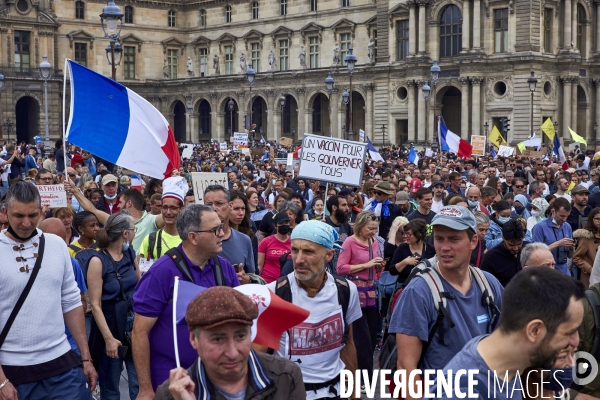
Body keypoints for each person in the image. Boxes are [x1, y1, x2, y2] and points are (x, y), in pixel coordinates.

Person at [0, 181, 97, 398]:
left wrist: (85, 357)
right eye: (18, 216)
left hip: (61, 365)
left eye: (33, 215)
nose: (26, 223)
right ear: (5, 212)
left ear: (41, 209)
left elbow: (71, 302)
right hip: (13, 370)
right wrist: (1, 380)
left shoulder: (56, 245)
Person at [132, 205, 240, 399]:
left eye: (221, 227)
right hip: (172, 380)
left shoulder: (225, 268)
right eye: (215, 230)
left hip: (218, 379)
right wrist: (145, 389)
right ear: (193, 237)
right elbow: (139, 332)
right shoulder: (161, 272)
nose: (222, 234)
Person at [389, 206, 504, 384]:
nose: (444, 247)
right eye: (439, 239)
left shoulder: (488, 283)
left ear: (473, 241)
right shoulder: (419, 291)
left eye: (454, 239)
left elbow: (507, 345)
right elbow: (406, 368)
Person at [431, 267, 584, 400]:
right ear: (534, 331)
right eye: (569, 332)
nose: (575, 341)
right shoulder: (462, 393)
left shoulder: (506, 366)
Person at [154, 286, 305, 400]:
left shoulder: (286, 376)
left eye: (240, 336)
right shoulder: (171, 395)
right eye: (218, 339)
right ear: (194, 339)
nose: (232, 353)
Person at [266, 221, 362, 400]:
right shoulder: (275, 292)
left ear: (329, 255)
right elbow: (258, 356)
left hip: (335, 391)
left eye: (309, 251)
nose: (299, 259)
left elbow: (347, 343)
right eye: (295, 250)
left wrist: (355, 393)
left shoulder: (346, 290)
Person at [87, 211, 140, 400]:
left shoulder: (130, 253)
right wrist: (109, 339)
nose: (135, 233)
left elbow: (140, 287)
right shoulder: (97, 261)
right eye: (133, 230)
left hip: (133, 326)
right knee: (110, 387)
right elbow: (95, 305)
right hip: (110, 325)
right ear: (125, 234)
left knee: (139, 383)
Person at [337, 210, 385, 379]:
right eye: (371, 228)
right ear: (360, 226)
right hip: (355, 292)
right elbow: (340, 268)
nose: (374, 232)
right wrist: (367, 264)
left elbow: (377, 271)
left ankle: (365, 375)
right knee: (360, 337)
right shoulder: (350, 242)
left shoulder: (375, 242)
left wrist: (378, 266)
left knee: (371, 337)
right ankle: (362, 377)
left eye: (376, 228)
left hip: (371, 292)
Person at [67, 179, 165, 254]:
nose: (118, 205)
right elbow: (93, 210)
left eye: (121, 202)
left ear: (129, 203)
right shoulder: (116, 221)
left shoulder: (151, 220)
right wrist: (74, 190)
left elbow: (169, 214)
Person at [205, 185, 256, 275]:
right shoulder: (198, 239)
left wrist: (246, 280)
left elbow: (252, 277)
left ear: (230, 205)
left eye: (219, 203)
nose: (213, 208)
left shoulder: (244, 240)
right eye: (208, 205)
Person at [138, 177, 187, 265]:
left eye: (173, 208)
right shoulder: (150, 240)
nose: (168, 212)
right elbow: (142, 274)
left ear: (182, 209)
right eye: (164, 207)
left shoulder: (190, 239)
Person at [532, 197, 574, 276]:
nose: (565, 219)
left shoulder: (567, 226)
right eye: (562, 216)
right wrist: (558, 244)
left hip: (564, 273)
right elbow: (536, 254)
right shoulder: (539, 227)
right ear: (553, 211)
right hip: (546, 274)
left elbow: (570, 256)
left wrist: (571, 248)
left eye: (567, 216)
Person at [480, 219, 525, 287]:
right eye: (511, 245)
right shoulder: (491, 258)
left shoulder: (529, 250)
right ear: (503, 238)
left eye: (519, 244)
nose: (515, 248)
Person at [389, 218, 429, 284]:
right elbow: (392, 271)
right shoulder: (402, 248)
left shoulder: (431, 250)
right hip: (404, 287)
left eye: (409, 234)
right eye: (405, 233)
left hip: (425, 287)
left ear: (419, 235)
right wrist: (405, 262)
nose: (405, 236)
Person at [258, 211, 291, 283]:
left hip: (286, 283)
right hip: (267, 282)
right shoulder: (266, 242)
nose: (284, 225)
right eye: (281, 223)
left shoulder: (294, 242)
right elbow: (259, 265)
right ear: (275, 226)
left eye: (286, 223)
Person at [573, 207, 600, 289]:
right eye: (597, 219)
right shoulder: (586, 237)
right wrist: (590, 269)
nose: (599, 221)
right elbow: (576, 257)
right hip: (590, 278)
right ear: (591, 219)